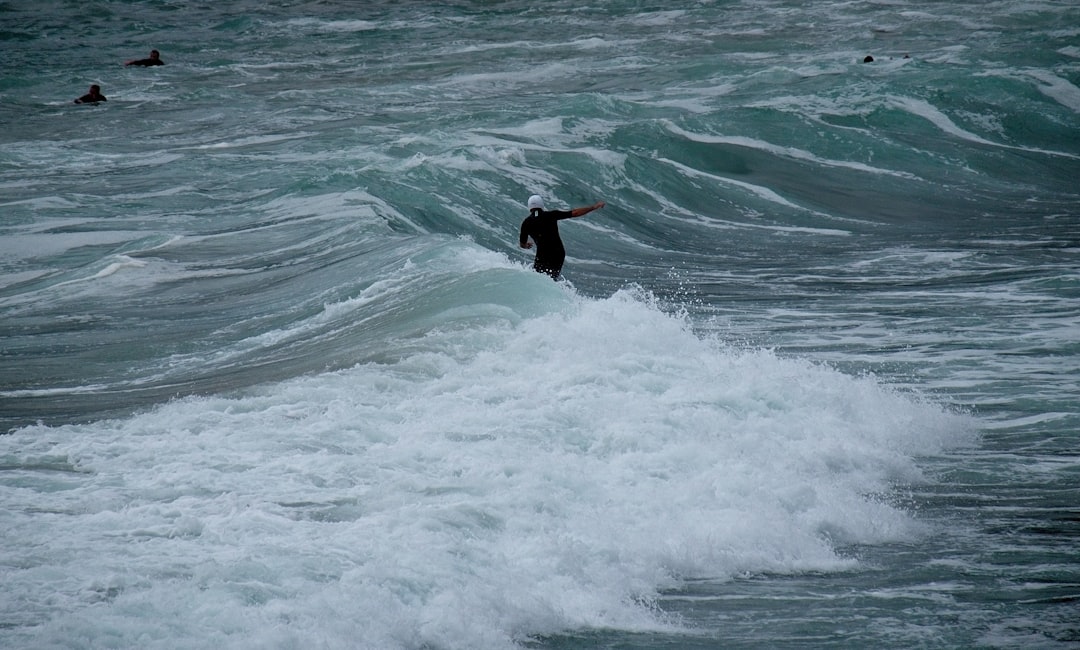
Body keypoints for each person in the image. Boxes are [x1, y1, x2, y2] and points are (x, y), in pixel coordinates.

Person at [519, 194, 605, 280]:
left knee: (537, 280)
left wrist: (526, 245)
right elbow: (574, 213)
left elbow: (522, 244)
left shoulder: (526, 223)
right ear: (541, 205)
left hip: (542, 254)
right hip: (558, 253)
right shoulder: (551, 215)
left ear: (529, 206)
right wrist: (593, 207)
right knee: (551, 279)